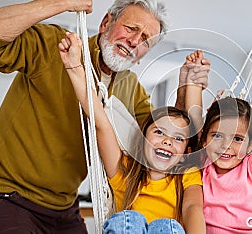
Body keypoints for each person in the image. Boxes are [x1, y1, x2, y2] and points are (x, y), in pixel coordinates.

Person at [0, 0, 209, 233]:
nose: (135, 41)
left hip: (63, 206)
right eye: (131, 28)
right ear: (106, 23)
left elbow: (159, 142)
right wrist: (61, 1)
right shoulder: (55, 46)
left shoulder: (130, 87)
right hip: (7, 195)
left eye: (146, 40)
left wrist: (185, 90)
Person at [59, 32, 205, 233]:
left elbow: (193, 207)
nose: (168, 141)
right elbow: (100, 121)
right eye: (159, 132)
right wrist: (74, 67)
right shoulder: (124, 172)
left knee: (167, 226)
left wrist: (190, 86)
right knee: (128, 220)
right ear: (143, 139)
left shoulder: (186, 175)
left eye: (178, 138)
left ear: (185, 153)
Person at [184, 50, 252, 234]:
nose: (226, 145)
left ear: (250, 145)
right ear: (204, 139)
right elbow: (193, 119)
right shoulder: (204, 163)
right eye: (217, 136)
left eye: (237, 139)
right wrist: (193, 80)